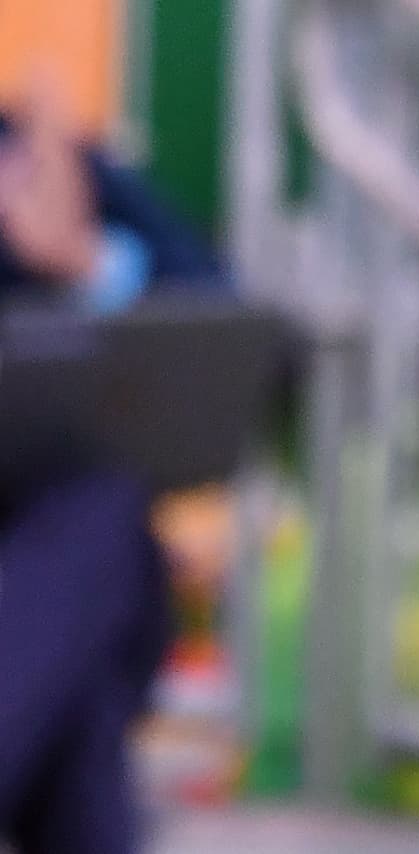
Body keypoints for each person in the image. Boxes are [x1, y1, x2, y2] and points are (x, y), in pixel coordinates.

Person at [0, 83, 227, 853]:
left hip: (46, 553)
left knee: (99, 515)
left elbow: (215, 308)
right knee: (83, 701)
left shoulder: (36, 156)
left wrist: (85, 260)